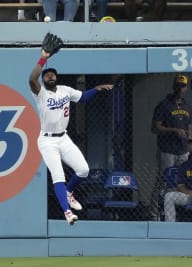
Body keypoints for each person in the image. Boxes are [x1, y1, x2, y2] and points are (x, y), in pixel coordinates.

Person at [28, 45, 114, 225]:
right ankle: (67, 212)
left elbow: (82, 97)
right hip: (47, 141)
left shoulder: (65, 90)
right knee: (58, 176)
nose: (50, 75)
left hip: (63, 137)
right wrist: (43, 59)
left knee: (84, 170)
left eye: (52, 74)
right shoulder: (40, 93)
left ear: (56, 77)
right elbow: (31, 78)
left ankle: (69, 192)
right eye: (47, 74)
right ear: (43, 79)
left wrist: (97, 89)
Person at [150, 73, 192, 220]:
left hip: (183, 151)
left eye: (183, 86)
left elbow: (189, 127)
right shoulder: (164, 105)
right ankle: (154, 214)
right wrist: (174, 131)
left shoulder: (187, 107)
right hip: (167, 150)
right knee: (163, 181)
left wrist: (190, 140)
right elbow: (155, 128)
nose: (180, 88)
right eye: (178, 85)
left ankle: (177, 214)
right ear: (174, 86)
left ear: (187, 87)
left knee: (181, 183)